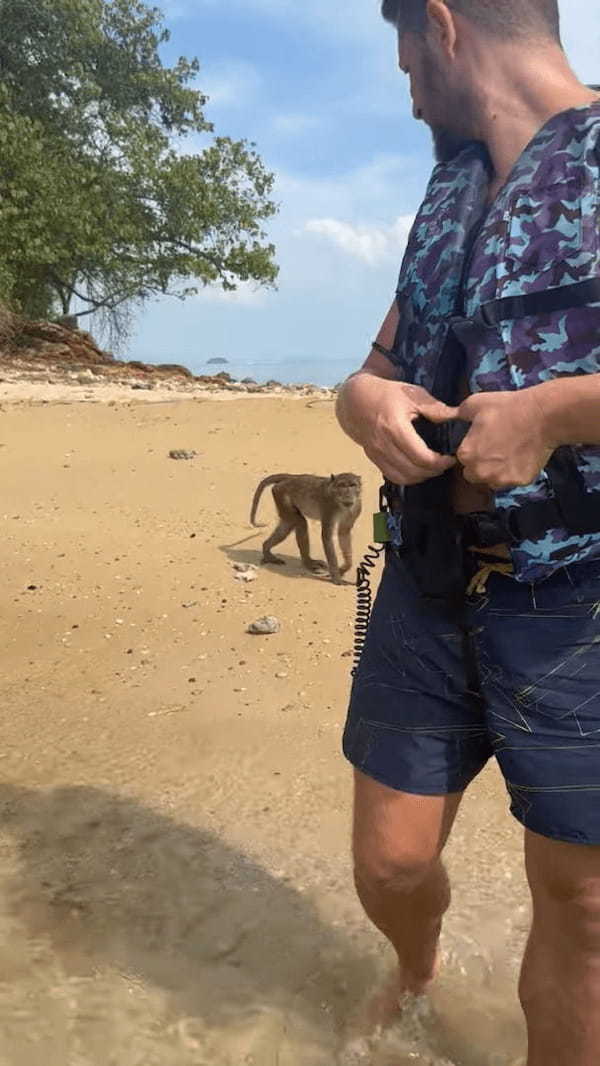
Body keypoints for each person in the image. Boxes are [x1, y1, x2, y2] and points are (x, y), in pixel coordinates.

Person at [336, 2, 600, 1063]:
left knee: (580, 902)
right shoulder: (446, 183)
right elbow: (383, 361)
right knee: (391, 863)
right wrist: (358, 399)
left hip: (580, 593)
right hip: (428, 578)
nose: (401, 78)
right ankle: (416, 964)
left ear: (441, 25)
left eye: (401, 45)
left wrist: (555, 413)